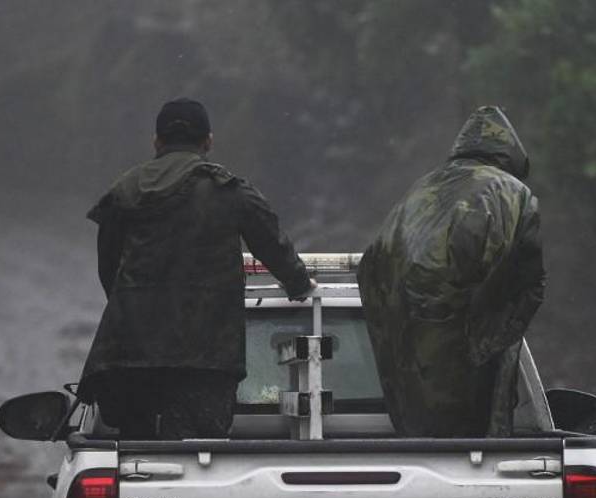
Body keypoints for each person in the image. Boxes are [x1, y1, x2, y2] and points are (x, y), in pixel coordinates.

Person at [78, 98, 315, 439]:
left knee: (136, 451)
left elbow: (109, 269)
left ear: (156, 142)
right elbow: (272, 245)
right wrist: (299, 284)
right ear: (208, 141)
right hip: (205, 359)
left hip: (130, 356)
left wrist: (136, 314)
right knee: (198, 452)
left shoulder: (124, 190)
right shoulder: (228, 191)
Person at [357, 105, 546, 437]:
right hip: (465, 353)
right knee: (467, 433)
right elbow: (530, 283)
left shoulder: (423, 187)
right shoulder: (515, 193)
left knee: (427, 428)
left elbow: (372, 262)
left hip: (405, 344)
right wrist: (489, 342)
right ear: (510, 153)